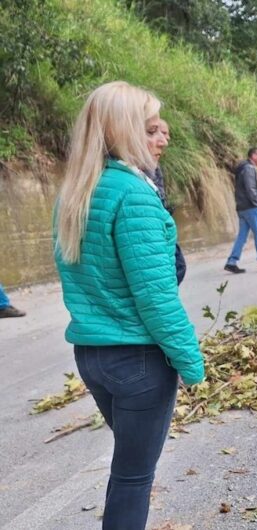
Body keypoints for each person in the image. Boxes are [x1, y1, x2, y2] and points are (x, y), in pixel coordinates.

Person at [53, 81, 204, 530]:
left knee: (128, 470)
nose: (164, 137)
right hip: (138, 359)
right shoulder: (133, 194)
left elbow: (77, 276)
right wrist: (192, 363)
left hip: (93, 356)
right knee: (133, 479)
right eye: (151, 127)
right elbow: (156, 299)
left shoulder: (76, 192)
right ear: (124, 131)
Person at [142, 119, 186, 284]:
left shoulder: (153, 165)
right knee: (177, 267)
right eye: (153, 131)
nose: (165, 141)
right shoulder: (136, 180)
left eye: (165, 134)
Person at [225, 147, 257, 273]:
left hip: (242, 207)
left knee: (242, 236)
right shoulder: (249, 169)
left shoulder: (243, 168)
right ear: (253, 156)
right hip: (251, 207)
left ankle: (231, 262)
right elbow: (251, 189)